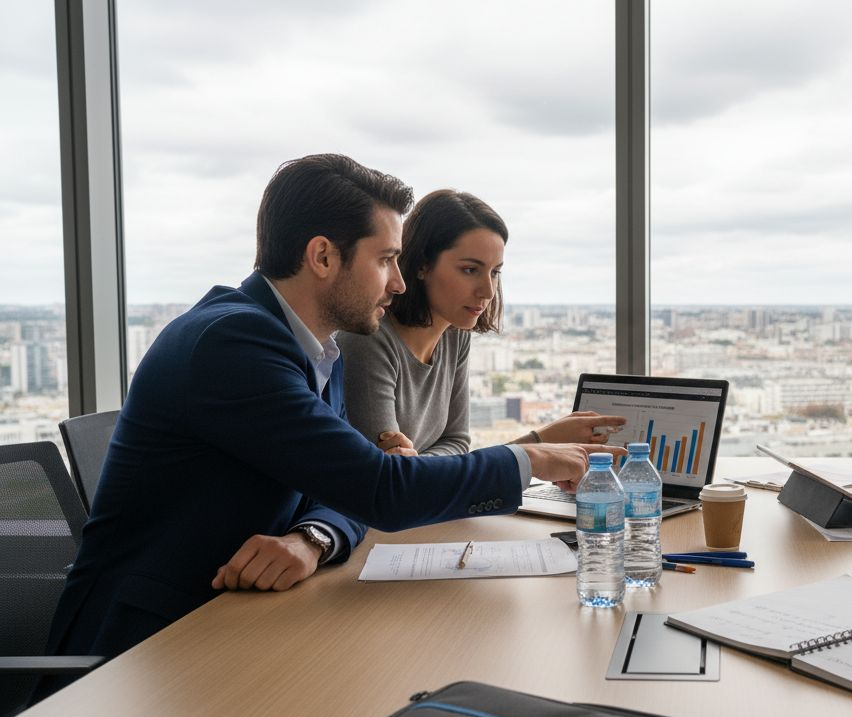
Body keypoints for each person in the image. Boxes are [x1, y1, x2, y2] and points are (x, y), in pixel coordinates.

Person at [40, 155, 605, 677]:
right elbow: (380, 488)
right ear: (322, 256)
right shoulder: (231, 345)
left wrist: (313, 535)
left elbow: (345, 489)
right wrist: (529, 457)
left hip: (240, 619)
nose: (400, 282)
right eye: (386, 260)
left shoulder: (316, 349)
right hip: (140, 650)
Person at [339, 189, 625, 458]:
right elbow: (392, 481)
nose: (487, 291)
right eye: (470, 270)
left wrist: (421, 467)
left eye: (495, 272)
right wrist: (538, 443)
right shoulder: (368, 342)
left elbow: (456, 443)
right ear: (422, 265)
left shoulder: (454, 335)